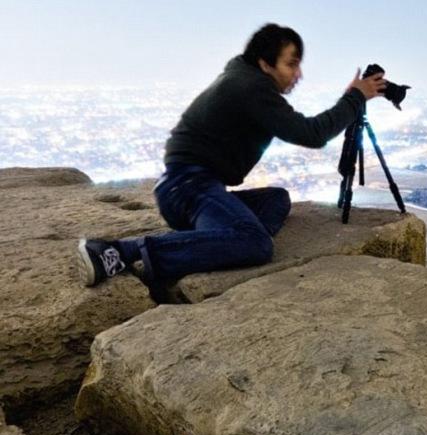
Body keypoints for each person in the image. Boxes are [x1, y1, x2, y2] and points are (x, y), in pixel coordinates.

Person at [77, 23, 385, 300]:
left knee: (277, 199)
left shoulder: (243, 77)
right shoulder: (252, 88)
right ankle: (122, 251)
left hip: (191, 189)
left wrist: (352, 97)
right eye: (291, 64)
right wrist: (355, 98)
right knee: (258, 246)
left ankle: (220, 242)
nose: (298, 74)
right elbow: (313, 134)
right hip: (188, 190)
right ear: (265, 63)